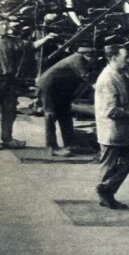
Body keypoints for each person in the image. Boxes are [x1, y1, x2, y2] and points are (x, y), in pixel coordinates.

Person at [94, 39, 129, 209]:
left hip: (120, 130)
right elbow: (111, 111)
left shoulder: (119, 75)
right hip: (111, 131)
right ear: (113, 58)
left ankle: (106, 190)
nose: (128, 60)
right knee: (109, 165)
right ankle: (105, 192)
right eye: (125, 57)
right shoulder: (107, 79)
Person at [0, 18, 57, 149]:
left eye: (6, 24)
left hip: (9, 82)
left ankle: (7, 139)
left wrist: (47, 38)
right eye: (2, 24)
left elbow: (31, 46)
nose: (5, 26)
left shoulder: (13, 41)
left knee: (10, 110)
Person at [37, 46, 96, 156]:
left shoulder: (79, 58)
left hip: (60, 89)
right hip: (48, 87)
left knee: (65, 114)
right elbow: (87, 78)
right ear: (88, 56)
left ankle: (70, 144)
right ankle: (52, 147)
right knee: (50, 115)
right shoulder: (77, 60)